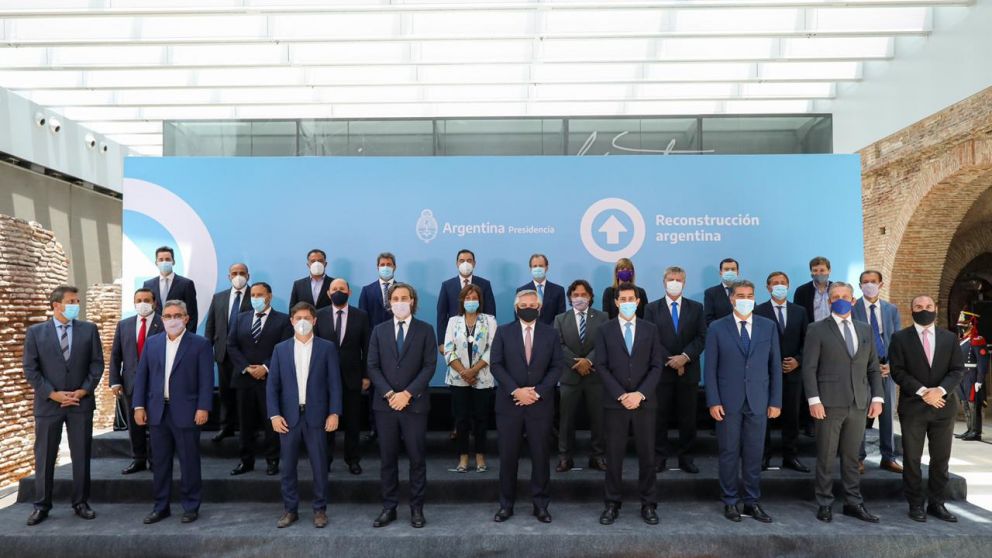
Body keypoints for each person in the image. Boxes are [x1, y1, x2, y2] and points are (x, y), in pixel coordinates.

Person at [802, 282, 884, 523]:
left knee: (852, 457)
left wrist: (877, 397)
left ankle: (853, 502)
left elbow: (873, 368)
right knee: (826, 456)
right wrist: (814, 400)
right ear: (829, 301)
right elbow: (809, 368)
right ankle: (824, 502)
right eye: (835, 296)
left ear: (853, 300)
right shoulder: (816, 329)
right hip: (828, 403)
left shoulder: (865, 329)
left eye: (845, 296)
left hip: (859, 403)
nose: (840, 300)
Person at [23, 286, 104, 526]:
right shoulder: (36, 333)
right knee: (45, 456)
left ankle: (81, 502)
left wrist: (84, 390)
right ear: (56, 305)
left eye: (77, 301)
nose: (76, 305)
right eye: (71, 301)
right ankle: (42, 505)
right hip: (49, 405)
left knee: (81, 455)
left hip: (81, 402)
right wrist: (52, 394)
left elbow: (97, 364)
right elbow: (30, 369)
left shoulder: (89, 330)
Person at [705, 280, 782, 523]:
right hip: (728, 402)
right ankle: (730, 501)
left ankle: (751, 501)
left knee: (754, 453)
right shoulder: (717, 327)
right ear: (731, 299)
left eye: (749, 295)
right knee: (729, 452)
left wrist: (775, 401)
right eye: (740, 295)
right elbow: (710, 368)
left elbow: (775, 366)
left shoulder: (768, 326)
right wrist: (713, 400)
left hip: (758, 400)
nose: (745, 299)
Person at [133, 300, 213, 524]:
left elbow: (206, 379)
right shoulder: (152, 343)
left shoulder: (200, 344)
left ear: (186, 318)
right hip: (157, 412)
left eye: (177, 315)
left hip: (187, 411)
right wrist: (139, 406)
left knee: (189, 461)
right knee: (160, 463)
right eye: (168, 316)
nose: (172, 320)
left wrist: (203, 407)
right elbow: (142, 376)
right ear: (162, 319)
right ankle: (161, 507)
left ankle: (191, 506)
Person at [888, 295, 966, 523]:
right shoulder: (900, 338)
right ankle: (915, 504)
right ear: (911, 310)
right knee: (912, 459)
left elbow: (957, 370)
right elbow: (897, 371)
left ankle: (936, 503)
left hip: (943, 406)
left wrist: (939, 391)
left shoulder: (949, 338)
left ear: (936, 308)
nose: (924, 310)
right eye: (919, 306)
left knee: (941, 459)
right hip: (913, 407)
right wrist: (924, 392)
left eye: (929, 306)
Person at [367, 283, 437, 529]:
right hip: (385, 406)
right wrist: (389, 394)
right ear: (389, 303)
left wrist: (407, 394)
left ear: (412, 301)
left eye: (404, 298)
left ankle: (417, 508)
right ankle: (389, 507)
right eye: (395, 298)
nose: (399, 302)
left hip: (414, 405)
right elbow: (372, 366)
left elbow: (429, 366)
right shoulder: (379, 330)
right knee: (387, 459)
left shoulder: (426, 330)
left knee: (417, 459)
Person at [267, 302, 343, 528]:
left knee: (319, 466)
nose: (302, 322)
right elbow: (272, 386)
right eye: (298, 318)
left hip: (317, 417)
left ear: (314, 321)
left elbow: (334, 384)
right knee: (288, 467)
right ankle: (290, 510)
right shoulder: (280, 349)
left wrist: (334, 413)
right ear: (291, 321)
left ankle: (320, 510)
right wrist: (274, 415)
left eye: (307, 318)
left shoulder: (326, 348)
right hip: (288, 418)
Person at [490, 290, 563, 523]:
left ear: (539, 308)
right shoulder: (503, 332)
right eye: (524, 305)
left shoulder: (551, 334)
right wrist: (516, 390)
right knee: (508, 458)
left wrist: (536, 392)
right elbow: (496, 365)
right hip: (509, 405)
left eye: (533, 305)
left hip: (539, 405)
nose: (528, 308)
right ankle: (506, 505)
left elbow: (557, 366)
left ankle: (541, 505)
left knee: (541, 457)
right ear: (516, 308)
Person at [595, 282, 664, 526]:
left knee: (647, 456)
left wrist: (640, 394)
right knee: (614, 457)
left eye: (630, 299)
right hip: (616, 404)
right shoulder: (604, 330)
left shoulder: (650, 329)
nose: (626, 303)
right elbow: (601, 365)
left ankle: (649, 504)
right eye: (622, 299)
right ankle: (612, 503)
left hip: (644, 403)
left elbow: (657, 365)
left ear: (638, 301)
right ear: (616, 302)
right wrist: (622, 395)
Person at [644, 266, 707, 474]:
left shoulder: (696, 308)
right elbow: (650, 338)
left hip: (689, 372)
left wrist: (684, 357)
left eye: (678, 280)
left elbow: (701, 337)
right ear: (664, 282)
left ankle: (686, 458)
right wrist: (671, 361)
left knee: (688, 419)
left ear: (684, 283)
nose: (674, 283)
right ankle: (659, 457)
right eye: (671, 279)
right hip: (661, 372)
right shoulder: (651, 308)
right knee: (659, 418)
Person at [226, 282, 293, 476]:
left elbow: (285, 347)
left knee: (271, 422)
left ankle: (272, 460)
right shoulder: (240, 318)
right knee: (245, 424)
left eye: (260, 294)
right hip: (244, 379)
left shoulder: (283, 320)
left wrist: (265, 367)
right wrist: (247, 367)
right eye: (253, 295)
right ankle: (246, 461)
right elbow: (231, 345)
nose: (255, 298)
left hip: (270, 380)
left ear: (269, 296)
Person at [754, 271, 809, 472]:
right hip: (766, 374)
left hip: (793, 372)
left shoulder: (800, 311)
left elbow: (807, 341)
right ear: (768, 287)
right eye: (775, 283)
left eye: (783, 282)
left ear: (788, 285)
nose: (779, 285)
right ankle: (764, 456)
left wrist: (798, 360)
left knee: (792, 417)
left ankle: (790, 457)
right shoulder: (758, 311)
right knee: (764, 417)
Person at [315, 278, 370, 474]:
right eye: (334, 289)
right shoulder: (318, 315)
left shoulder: (361, 316)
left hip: (352, 378)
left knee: (353, 423)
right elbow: (314, 347)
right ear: (328, 293)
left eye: (342, 288)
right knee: (326, 422)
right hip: (325, 379)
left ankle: (353, 460)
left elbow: (367, 347)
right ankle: (325, 460)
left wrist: (366, 376)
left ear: (349, 292)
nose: (338, 291)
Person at [553, 279, 608, 472]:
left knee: (598, 419)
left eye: (584, 294)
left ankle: (598, 456)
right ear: (570, 297)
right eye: (575, 295)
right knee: (566, 420)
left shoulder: (603, 317)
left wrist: (588, 361)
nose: (579, 298)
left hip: (595, 377)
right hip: (569, 377)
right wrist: (577, 364)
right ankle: (565, 457)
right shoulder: (560, 319)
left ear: (590, 296)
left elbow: (604, 343)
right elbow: (558, 345)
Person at [852, 270, 903, 474]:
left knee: (887, 415)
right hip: (862, 370)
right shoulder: (853, 308)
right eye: (865, 282)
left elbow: (897, 340)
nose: (869, 284)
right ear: (860, 286)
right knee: (860, 416)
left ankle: (888, 457)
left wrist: (892, 364)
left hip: (886, 368)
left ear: (881, 284)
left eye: (873, 281)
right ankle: (858, 458)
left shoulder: (891, 309)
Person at [443, 284, 497, 473]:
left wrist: (473, 371)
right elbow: (448, 350)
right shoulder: (453, 321)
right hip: (458, 378)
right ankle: (463, 457)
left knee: (481, 419)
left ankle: (480, 456)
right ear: (462, 301)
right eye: (468, 298)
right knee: (461, 420)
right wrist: (464, 372)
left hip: (482, 377)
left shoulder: (489, 320)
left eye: (474, 298)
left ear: (480, 301)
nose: (471, 301)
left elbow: (493, 348)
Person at [110, 288, 164, 475]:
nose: (142, 303)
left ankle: (156, 460)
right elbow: (116, 355)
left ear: (154, 303)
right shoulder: (124, 325)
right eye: (139, 300)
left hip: (157, 383)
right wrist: (114, 381)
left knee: (156, 424)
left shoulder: (163, 323)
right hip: (131, 383)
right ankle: (138, 459)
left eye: (147, 300)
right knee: (135, 425)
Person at [203, 262, 252, 443]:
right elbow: (211, 326)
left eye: (242, 273)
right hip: (223, 354)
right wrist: (206, 350)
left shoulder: (255, 296)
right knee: (225, 393)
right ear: (229, 276)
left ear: (248, 276)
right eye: (234, 273)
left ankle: (249, 429)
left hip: (246, 355)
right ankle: (226, 427)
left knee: (246, 395)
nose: (238, 276)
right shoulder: (219, 298)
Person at [437, 249, 496, 349]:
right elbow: (441, 315)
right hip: (455, 337)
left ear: (474, 263)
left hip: (480, 337)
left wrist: (489, 339)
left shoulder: (485, 284)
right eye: (462, 261)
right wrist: (441, 342)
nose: (465, 264)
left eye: (469, 260)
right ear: (457, 263)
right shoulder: (447, 285)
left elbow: (490, 312)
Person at [142, 246, 197, 332]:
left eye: (167, 259)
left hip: (178, 332)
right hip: (155, 333)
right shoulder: (148, 285)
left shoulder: (186, 284)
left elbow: (192, 314)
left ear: (173, 262)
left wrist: (188, 336)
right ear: (156, 263)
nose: (164, 262)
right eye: (161, 260)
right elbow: (146, 311)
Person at [956, 311, 988, 441]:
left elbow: (982, 361)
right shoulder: (962, 340)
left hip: (972, 376)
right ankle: (969, 429)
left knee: (973, 404)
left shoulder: (977, 340)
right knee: (965, 402)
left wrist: (979, 380)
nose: (961, 329)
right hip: (962, 376)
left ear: (970, 325)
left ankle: (976, 432)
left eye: (963, 326)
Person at [516, 253, 566, 325]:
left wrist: (549, 329)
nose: (538, 268)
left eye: (541, 266)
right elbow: (518, 316)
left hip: (552, 330)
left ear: (546, 268)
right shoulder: (522, 291)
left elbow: (561, 316)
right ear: (530, 269)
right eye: (535, 266)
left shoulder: (558, 290)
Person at [359, 252, 398, 328]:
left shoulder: (402, 290)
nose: (385, 267)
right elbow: (362, 318)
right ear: (378, 267)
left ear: (394, 267)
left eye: (389, 264)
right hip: (373, 333)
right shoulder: (367, 291)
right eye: (382, 265)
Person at [794, 256, 833, 324]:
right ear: (811, 272)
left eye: (822, 270)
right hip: (811, 329)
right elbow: (797, 316)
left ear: (829, 271)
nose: (818, 273)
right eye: (815, 270)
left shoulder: (837, 289)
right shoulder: (801, 291)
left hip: (833, 329)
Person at [703, 258, 739, 326]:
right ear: (720, 273)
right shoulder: (710, 293)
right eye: (726, 269)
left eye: (733, 269)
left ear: (738, 272)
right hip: (720, 330)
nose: (730, 272)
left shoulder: (745, 291)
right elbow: (708, 318)